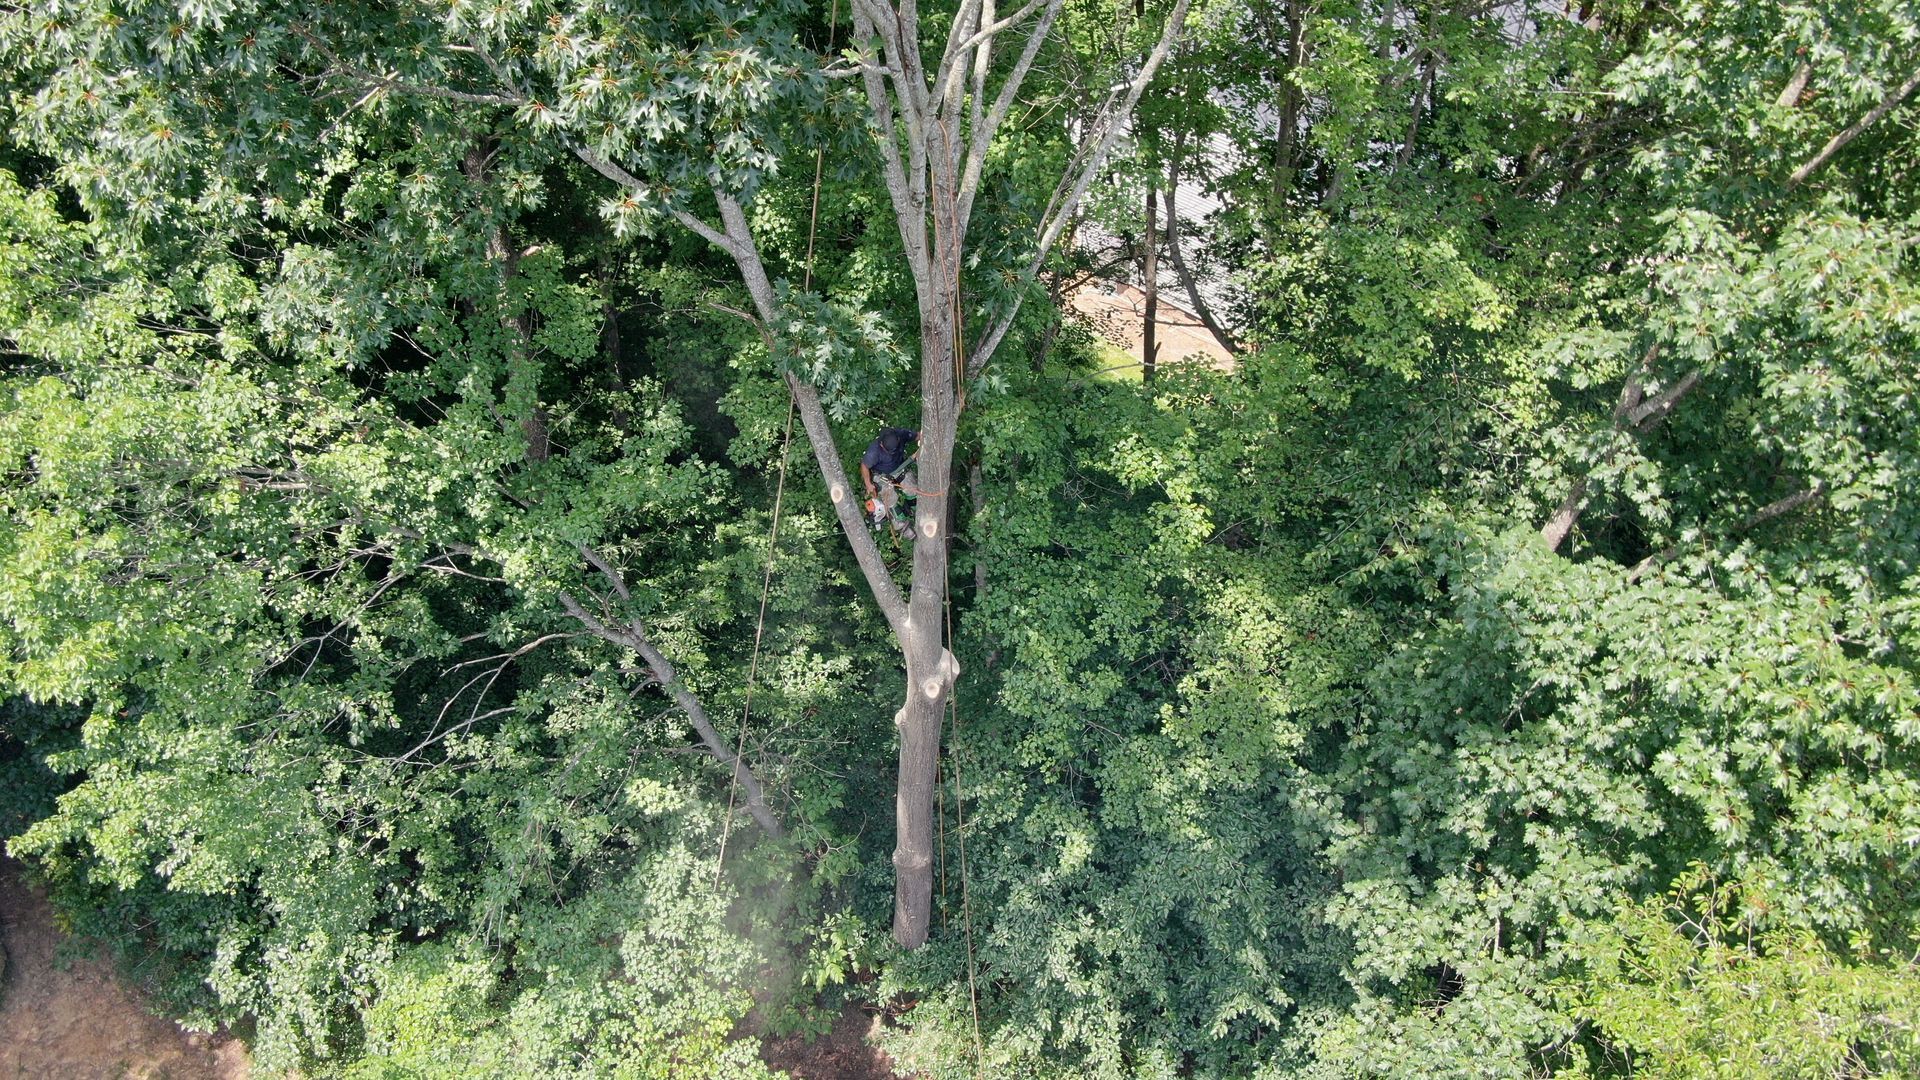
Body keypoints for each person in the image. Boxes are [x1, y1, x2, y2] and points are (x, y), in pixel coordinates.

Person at [860, 427, 919, 541]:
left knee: (911, 486)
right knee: (889, 497)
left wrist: (922, 441)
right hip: (882, 475)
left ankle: (915, 508)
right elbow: (864, 466)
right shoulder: (874, 451)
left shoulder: (901, 434)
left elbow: (917, 435)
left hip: (901, 468)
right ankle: (901, 525)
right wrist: (868, 484)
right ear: (881, 444)